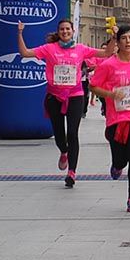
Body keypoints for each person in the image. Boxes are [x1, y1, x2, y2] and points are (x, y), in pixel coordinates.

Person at [17, 18, 114, 187]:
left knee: (73, 134)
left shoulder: (81, 49)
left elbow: (106, 53)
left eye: (68, 29)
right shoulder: (49, 49)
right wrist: (19, 33)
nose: (65, 32)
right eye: (62, 29)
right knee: (60, 135)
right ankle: (63, 151)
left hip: (75, 95)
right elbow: (25, 53)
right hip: (54, 97)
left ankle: (72, 172)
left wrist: (114, 37)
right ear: (58, 32)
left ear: (73, 31)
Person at [89, 25, 130, 214]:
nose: (128, 41)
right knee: (121, 160)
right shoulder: (108, 65)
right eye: (124, 38)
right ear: (118, 42)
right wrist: (111, 95)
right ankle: (116, 166)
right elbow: (93, 87)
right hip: (116, 119)